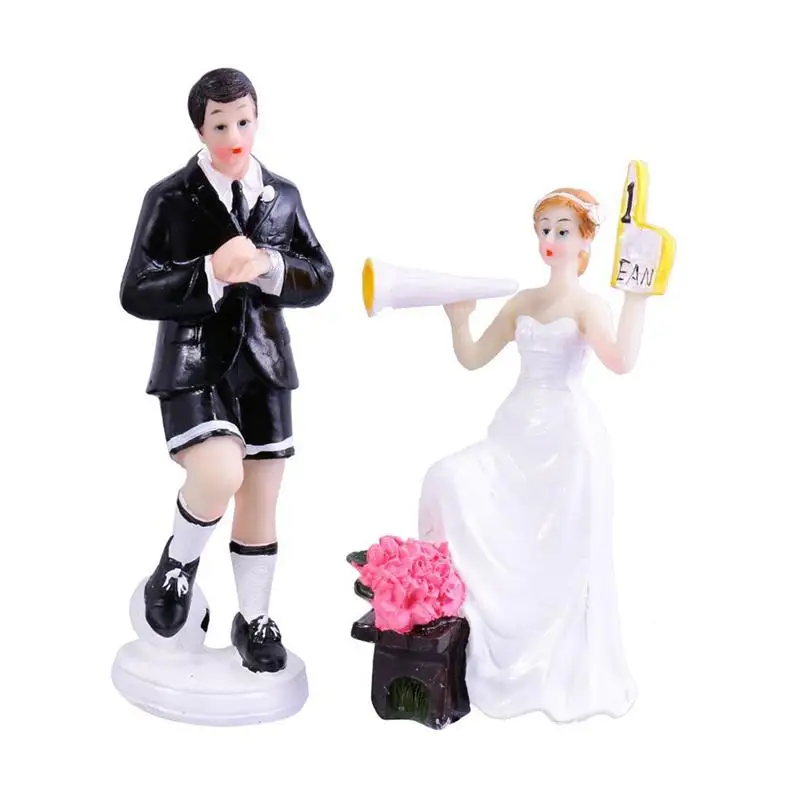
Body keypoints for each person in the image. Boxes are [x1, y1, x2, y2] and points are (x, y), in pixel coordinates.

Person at [120, 67, 333, 673]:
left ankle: (254, 617)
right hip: (194, 363)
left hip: (264, 365)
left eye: (244, 121)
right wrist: (209, 272)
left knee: (261, 496)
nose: (234, 137)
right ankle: (178, 563)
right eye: (220, 125)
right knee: (218, 473)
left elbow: (320, 276)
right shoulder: (169, 198)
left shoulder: (283, 196)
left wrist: (270, 265)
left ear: (258, 119)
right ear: (200, 129)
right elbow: (135, 290)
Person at [418, 188, 646, 721]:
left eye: (562, 230)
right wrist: (458, 320)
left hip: (566, 441)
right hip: (515, 432)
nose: (550, 239)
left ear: (584, 240)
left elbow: (621, 360)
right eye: (544, 229)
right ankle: (454, 605)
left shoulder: (587, 306)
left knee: (560, 550)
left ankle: (548, 651)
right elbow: (474, 357)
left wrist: (637, 298)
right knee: (448, 477)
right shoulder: (522, 302)